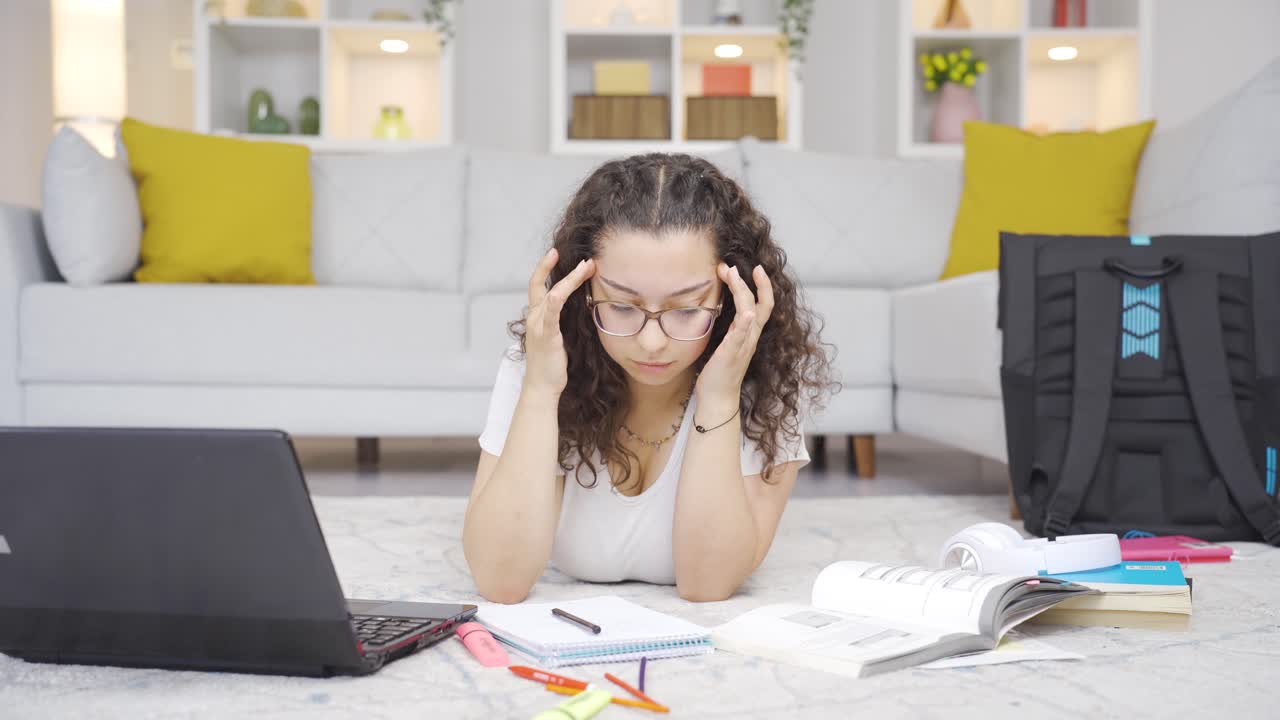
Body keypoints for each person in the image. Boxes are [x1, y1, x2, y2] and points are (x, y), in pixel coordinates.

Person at [463, 153, 835, 603]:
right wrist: (541, 391)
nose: (653, 342)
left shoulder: (762, 374)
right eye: (621, 306)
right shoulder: (537, 363)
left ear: (728, 298)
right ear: (583, 293)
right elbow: (501, 580)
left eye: (686, 309)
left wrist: (719, 399)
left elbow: (708, 584)